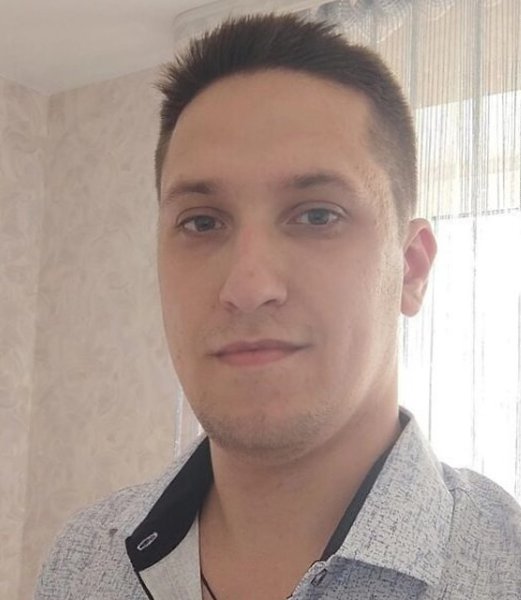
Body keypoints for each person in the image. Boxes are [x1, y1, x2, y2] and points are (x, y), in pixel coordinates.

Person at [35, 12, 521, 600]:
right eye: (202, 222)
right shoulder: (82, 562)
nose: (248, 285)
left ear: (412, 269)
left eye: (317, 215)